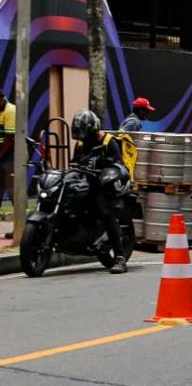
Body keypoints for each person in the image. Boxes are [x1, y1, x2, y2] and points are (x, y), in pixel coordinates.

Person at [70, 109, 130, 274]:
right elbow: (75, 162)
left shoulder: (109, 142)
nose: (83, 138)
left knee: (104, 211)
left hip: (103, 184)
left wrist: (101, 163)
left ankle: (120, 257)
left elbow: (117, 164)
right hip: (83, 181)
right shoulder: (81, 143)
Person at [0, 93, 14, 239]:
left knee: (13, 190)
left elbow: (9, 139)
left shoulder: (10, 110)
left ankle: (20, 228)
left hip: (11, 156)